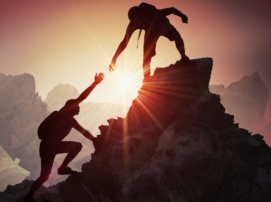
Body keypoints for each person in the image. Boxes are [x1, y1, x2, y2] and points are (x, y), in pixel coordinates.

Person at [24, 73, 104, 201]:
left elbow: (83, 132)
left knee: (45, 175)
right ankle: (60, 170)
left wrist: (94, 140)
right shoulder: (64, 114)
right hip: (48, 147)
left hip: (49, 147)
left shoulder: (70, 120)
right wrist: (95, 83)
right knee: (46, 175)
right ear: (71, 107)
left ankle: (29, 196)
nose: (79, 107)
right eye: (77, 106)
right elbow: (82, 97)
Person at [109, 2, 189, 78]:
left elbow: (171, 10)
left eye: (139, 20)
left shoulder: (155, 13)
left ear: (141, 15)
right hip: (151, 33)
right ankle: (146, 78)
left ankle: (183, 57)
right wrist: (114, 58)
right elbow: (124, 43)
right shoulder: (133, 24)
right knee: (146, 56)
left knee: (176, 36)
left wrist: (182, 16)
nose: (138, 23)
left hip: (162, 25)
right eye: (136, 22)